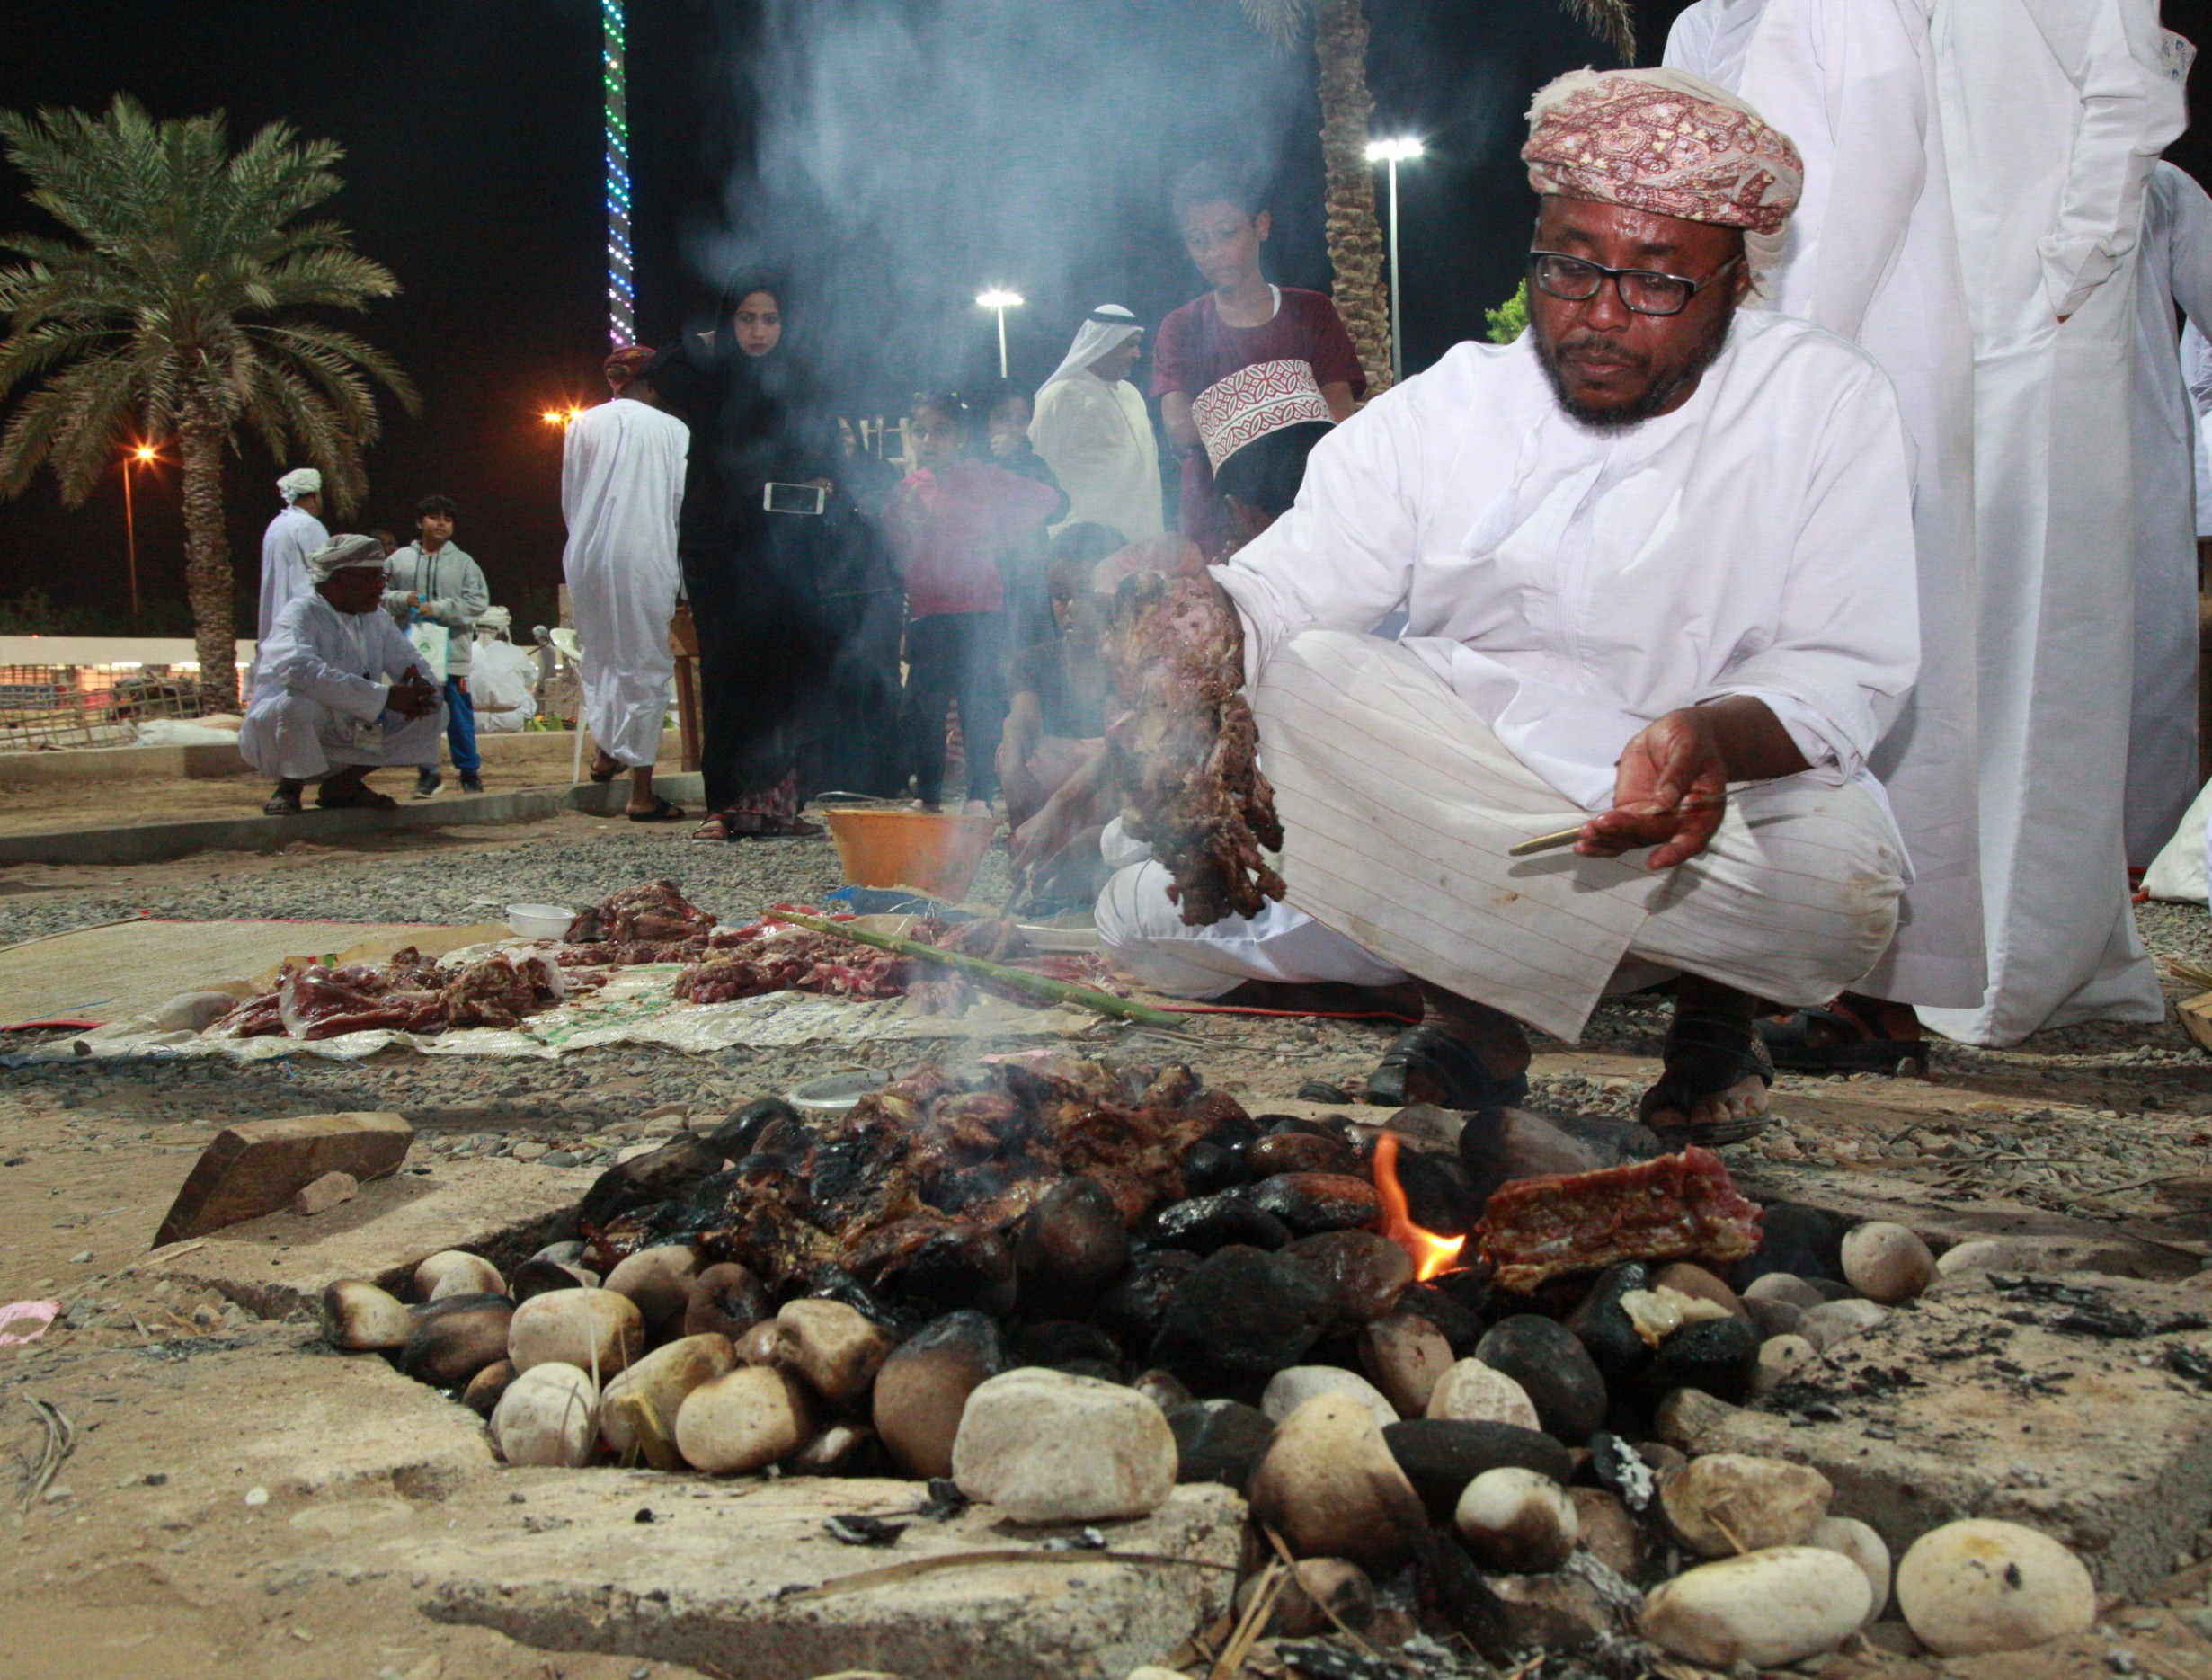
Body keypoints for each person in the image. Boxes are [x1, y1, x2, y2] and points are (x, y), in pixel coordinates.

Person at [1099, 67, 1919, 1142]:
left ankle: (1701, 1003)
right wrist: (1193, 616)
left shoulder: (1823, 399)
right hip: (1467, 792)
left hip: (1708, 807)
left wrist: (1710, 739)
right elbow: (1285, 585)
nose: (1603, 317)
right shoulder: (1453, 403)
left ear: (1737, 279)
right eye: (1569, 269)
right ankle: (1478, 1011)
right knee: (1299, 680)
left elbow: (1842, 667)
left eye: (1658, 282)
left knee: (1846, 881)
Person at [1663, 0, 1983, 1068]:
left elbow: (1874, 181)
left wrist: (1790, 356)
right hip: (1744, 354)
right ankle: (1750, 962)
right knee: (1745, 650)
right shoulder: (1711, 18)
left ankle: (1892, 993)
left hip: (1860, 348)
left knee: (1882, 664)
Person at [1917, 3, 2188, 1047]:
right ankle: (1909, 941)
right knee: (1925, 634)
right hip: (1927, 302)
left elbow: (2130, 88)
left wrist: (2070, 262)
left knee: (2039, 636)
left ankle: (2015, 958)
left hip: (2038, 313)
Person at [656, 278, 849, 839]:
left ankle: (782, 806)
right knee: (731, 672)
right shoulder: (711, 379)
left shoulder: (800, 384)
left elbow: (827, 454)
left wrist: (824, 481)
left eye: (769, 319)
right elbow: (662, 368)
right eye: (746, 319)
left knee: (788, 671)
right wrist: (707, 339)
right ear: (728, 324)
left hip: (789, 548)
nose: (759, 331)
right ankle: (724, 806)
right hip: (721, 546)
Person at [1153, 162, 1365, 558]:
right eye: (1198, 241)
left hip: (1309, 512)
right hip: (1216, 523)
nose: (1214, 253)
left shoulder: (1311, 311)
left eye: (1227, 234)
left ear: (1261, 226)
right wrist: (1290, 401)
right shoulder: (1180, 327)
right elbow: (1180, 427)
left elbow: (1340, 416)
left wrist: (1234, 414)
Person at [880, 392, 1061, 813]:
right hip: (928, 612)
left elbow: (1048, 500)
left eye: (941, 431)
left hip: (981, 610)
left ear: (960, 437)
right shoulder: (907, 491)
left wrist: (1001, 541)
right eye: (920, 431)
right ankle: (928, 795)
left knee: (978, 705)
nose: (929, 439)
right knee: (926, 709)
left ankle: (980, 796)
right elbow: (895, 551)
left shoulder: (987, 476)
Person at [561, 343, 690, 822]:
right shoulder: (673, 429)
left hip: (587, 553)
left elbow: (571, 496)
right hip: (644, 553)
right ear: (653, 383)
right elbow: (676, 502)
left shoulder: (582, 423)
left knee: (601, 655)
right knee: (644, 665)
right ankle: (641, 792)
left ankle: (606, 751)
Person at [2126, 157, 2212, 866]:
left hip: (2132, 469)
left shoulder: (2153, 185)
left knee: (2142, 668)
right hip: (1974, 463)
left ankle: (2142, 866)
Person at [240, 534, 446, 814]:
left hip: (355, 725)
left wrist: (423, 689)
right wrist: (383, 697)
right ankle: (290, 786)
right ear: (337, 579)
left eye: (381, 577)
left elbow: (411, 661)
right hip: (290, 732)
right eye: (370, 578)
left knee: (435, 708)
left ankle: (343, 785)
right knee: (297, 704)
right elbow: (299, 670)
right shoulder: (300, 613)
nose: (380, 587)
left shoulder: (375, 618)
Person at [999, 528, 1125, 904]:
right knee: (1013, 756)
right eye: (1060, 596)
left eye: (1082, 594)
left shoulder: (1130, 660)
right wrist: (1012, 765)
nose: (1068, 609)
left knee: (1111, 782)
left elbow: (1121, 747)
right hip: (1071, 772)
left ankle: (1097, 870)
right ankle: (1036, 868)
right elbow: (1020, 719)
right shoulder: (1035, 660)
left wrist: (1059, 806)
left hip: (1116, 772)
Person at [1030, 305, 1164, 548]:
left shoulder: (1130, 394)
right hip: (1085, 543)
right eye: (1129, 344)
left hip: (1143, 537)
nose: (1137, 354)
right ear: (1103, 342)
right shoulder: (1061, 395)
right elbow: (1040, 468)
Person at [384, 495, 490, 798]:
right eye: (434, 517)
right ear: (420, 522)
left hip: (452, 654)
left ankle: (469, 772)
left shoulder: (464, 562)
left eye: (448, 518)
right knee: (421, 713)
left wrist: (440, 609)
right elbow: (378, 592)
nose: (441, 523)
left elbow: (478, 602)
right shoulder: (399, 559)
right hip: (412, 654)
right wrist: (401, 599)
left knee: (459, 715)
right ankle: (428, 773)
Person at [258, 468, 327, 646]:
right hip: (303, 620)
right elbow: (325, 571)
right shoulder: (308, 525)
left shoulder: (276, 524)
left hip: (277, 621)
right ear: (314, 496)